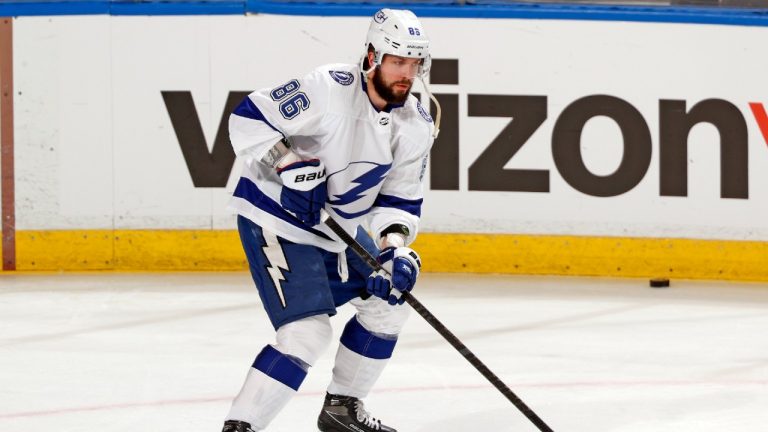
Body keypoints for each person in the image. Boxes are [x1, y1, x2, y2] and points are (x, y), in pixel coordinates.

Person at [222, 8, 440, 432]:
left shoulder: (415, 122)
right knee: (306, 334)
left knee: (389, 305)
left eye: (414, 64)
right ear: (372, 57)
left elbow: (398, 200)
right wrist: (286, 162)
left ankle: (343, 408)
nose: (406, 74)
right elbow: (247, 119)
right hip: (277, 216)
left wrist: (394, 250)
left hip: (336, 227)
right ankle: (240, 426)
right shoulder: (327, 87)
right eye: (398, 61)